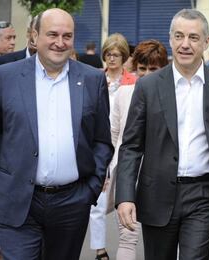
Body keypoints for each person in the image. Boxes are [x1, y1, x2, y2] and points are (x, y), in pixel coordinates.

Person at [116, 9, 209, 260]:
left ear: (206, 42)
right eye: (179, 36)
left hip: (204, 195)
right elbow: (131, 146)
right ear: (170, 39)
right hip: (156, 194)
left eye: (193, 37)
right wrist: (125, 196)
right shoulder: (148, 86)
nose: (185, 44)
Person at [0, 8, 113, 260]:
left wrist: (91, 189)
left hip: (71, 203)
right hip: (17, 202)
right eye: (52, 34)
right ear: (34, 36)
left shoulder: (93, 79)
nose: (60, 43)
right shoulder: (5, 77)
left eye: (67, 36)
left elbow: (102, 140)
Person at [108, 39, 168, 260]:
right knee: (128, 236)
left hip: (162, 176)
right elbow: (114, 136)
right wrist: (109, 170)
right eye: (142, 68)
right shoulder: (124, 94)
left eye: (153, 69)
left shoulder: (173, 96)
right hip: (128, 172)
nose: (146, 74)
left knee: (163, 241)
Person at [88, 32, 137, 260]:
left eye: (116, 55)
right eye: (108, 54)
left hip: (122, 144)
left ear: (124, 56)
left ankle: (126, 242)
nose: (112, 58)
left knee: (122, 196)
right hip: (98, 142)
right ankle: (100, 249)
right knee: (97, 199)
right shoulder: (95, 78)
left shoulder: (134, 81)